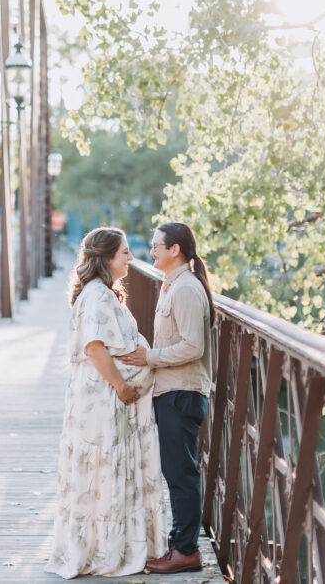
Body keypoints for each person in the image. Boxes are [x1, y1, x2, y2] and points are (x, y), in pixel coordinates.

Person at [45, 227, 167, 579]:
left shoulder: (100, 293)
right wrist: (121, 387)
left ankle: (108, 544)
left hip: (102, 395)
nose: (131, 259)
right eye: (125, 253)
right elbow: (95, 347)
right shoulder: (98, 296)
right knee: (103, 468)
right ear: (107, 258)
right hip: (103, 396)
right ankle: (105, 550)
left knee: (104, 471)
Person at [116, 222, 213, 574]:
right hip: (171, 391)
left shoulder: (185, 289)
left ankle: (186, 551)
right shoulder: (172, 285)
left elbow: (192, 346)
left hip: (182, 393)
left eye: (158, 245)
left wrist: (149, 358)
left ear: (175, 250)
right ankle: (180, 544)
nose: (152, 249)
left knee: (182, 474)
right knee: (176, 472)